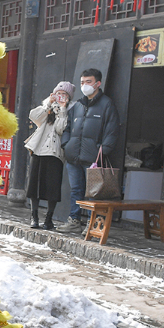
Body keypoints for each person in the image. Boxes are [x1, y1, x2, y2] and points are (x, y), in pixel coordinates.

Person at [57, 69, 120, 233]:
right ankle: (74, 220)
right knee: (75, 190)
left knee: (94, 192)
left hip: (93, 157)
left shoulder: (107, 104)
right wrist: (66, 145)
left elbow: (112, 130)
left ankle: (93, 224)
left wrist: (103, 150)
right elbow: (68, 127)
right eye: (82, 82)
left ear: (98, 83)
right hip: (73, 156)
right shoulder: (77, 105)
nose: (85, 85)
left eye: (88, 82)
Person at [25, 81, 74, 230]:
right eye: (58, 93)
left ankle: (48, 219)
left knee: (53, 187)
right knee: (34, 186)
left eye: (64, 94)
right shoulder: (48, 107)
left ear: (69, 97)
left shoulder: (69, 111)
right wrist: (48, 104)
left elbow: (60, 129)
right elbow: (34, 116)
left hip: (55, 153)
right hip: (38, 150)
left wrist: (62, 110)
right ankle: (34, 217)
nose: (60, 96)